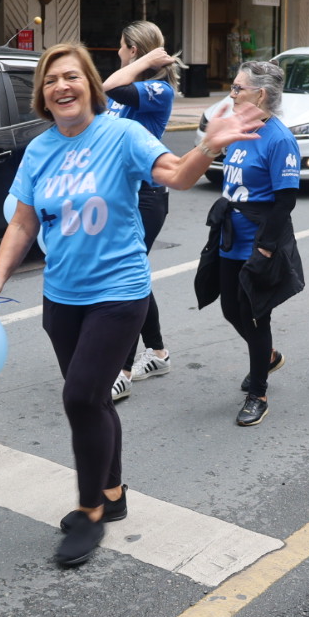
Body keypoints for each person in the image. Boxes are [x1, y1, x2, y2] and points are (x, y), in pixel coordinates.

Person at [0, 43, 263, 566]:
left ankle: (88, 511)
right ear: (43, 95)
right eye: (50, 81)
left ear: (91, 83)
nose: (61, 87)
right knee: (94, 403)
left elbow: (176, 175)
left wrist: (208, 146)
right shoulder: (40, 150)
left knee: (80, 397)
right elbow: (22, 223)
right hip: (61, 297)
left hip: (118, 291)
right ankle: (112, 495)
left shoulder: (123, 134)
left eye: (71, 77)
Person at [199, 61, 303, 427]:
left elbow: (285, 200)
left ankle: (258, 392)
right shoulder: (241, 129)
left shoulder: (279, 138)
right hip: (230, 238)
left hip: (258, 242)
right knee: (231, 308)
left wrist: (266, 248)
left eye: (238, 87)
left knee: (256, 317)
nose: (232, 92)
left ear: (260, 94)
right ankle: (268, 357)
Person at [100, 21, 180, 399]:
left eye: (122, 47)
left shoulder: (159, 90)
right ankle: (159, 352)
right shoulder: (129, 89)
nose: (118, 52)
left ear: (134, 50)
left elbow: (110, 86)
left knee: (125, 277)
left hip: (146, 196)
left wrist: (146, 59)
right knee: (135, 274)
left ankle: (123, 369)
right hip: (120, 193)